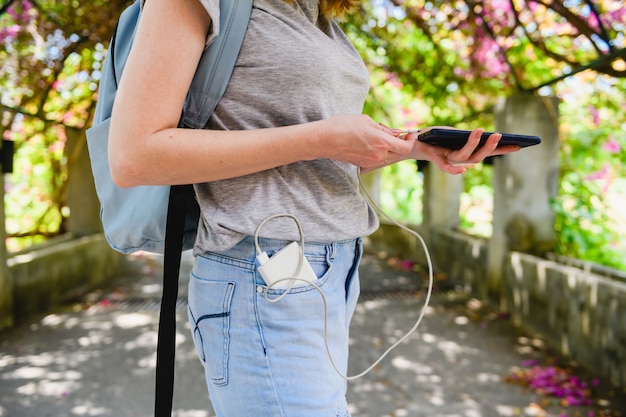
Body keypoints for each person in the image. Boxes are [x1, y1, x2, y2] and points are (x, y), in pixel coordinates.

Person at [108, 0, 520, 415]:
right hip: (264, 271)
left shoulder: (315, 15)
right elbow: (134, 155)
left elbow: (315, 141)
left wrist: (418, 148)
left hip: (333, 268)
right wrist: (322, 138)